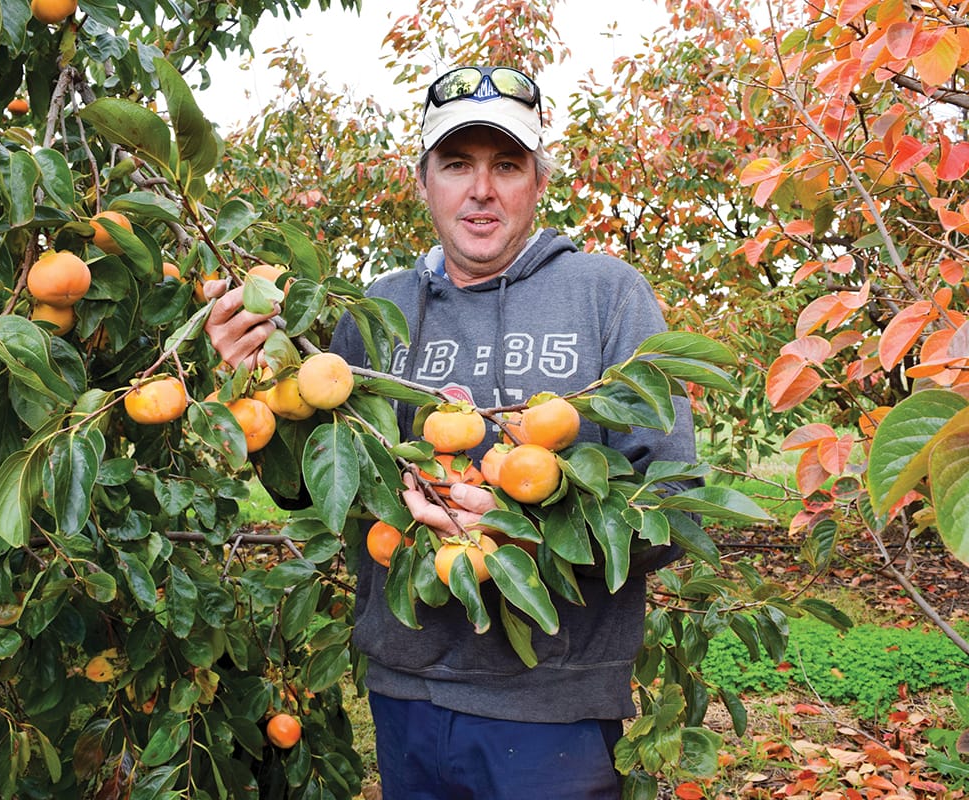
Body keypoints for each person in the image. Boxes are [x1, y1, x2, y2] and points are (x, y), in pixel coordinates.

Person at [205, 64, 696, 800]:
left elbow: (674, 510)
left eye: (506, 165)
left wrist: (524, 532)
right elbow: (315, 491)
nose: (481, 189)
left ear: (538, 180)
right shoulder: (380, 308)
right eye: (457, 164)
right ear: (424, 179)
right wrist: (252, 381)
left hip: (550, 704)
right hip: (406, 692)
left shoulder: (606, 295)